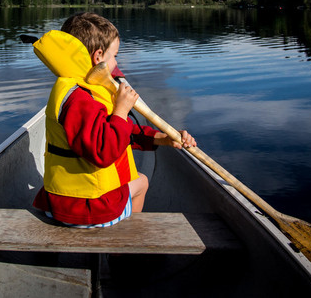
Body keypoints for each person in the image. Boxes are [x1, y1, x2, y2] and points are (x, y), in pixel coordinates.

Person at [32, 12, 196, 227]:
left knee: (136, 178)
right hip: (88, 209)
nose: (117, 62)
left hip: (62, 202)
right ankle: (125, 245)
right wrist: (120, 110)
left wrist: (162, 138)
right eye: (115, 55)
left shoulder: (80, 87)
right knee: (142, 182)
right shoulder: (81, 99)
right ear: (98, 57)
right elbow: (103, 152)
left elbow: (121, 131)